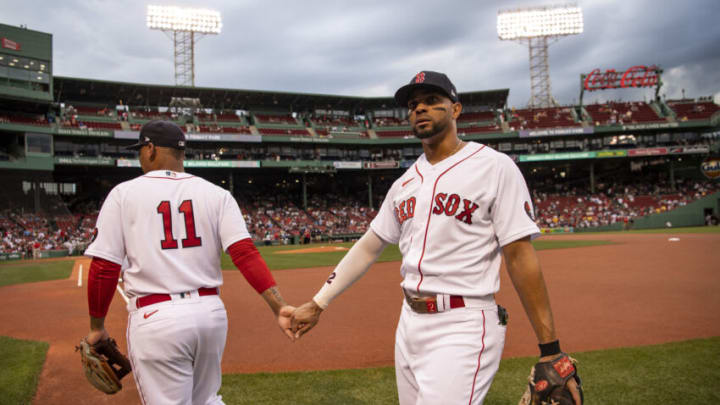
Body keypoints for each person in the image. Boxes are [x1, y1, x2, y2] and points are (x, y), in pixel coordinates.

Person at [291, 71, 582, 404]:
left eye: (432, 101)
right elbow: (370, 244)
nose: (420, 109)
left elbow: (519, 256)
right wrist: (318, 302)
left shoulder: (494, 167)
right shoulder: (404, 184)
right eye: (414, 104)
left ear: (455, 110)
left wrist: (550, 349)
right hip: (409, 323)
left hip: (464, 322)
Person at [83, 120, 296, 404]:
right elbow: (245, 254)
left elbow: (104, 268)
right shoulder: (217, 194)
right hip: (210, 316)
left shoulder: (123, 194)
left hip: (157, 319)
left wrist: (97, 327)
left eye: (140, 149)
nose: (139, 155)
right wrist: (279, 306)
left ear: (150, 149)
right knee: (207, 399)